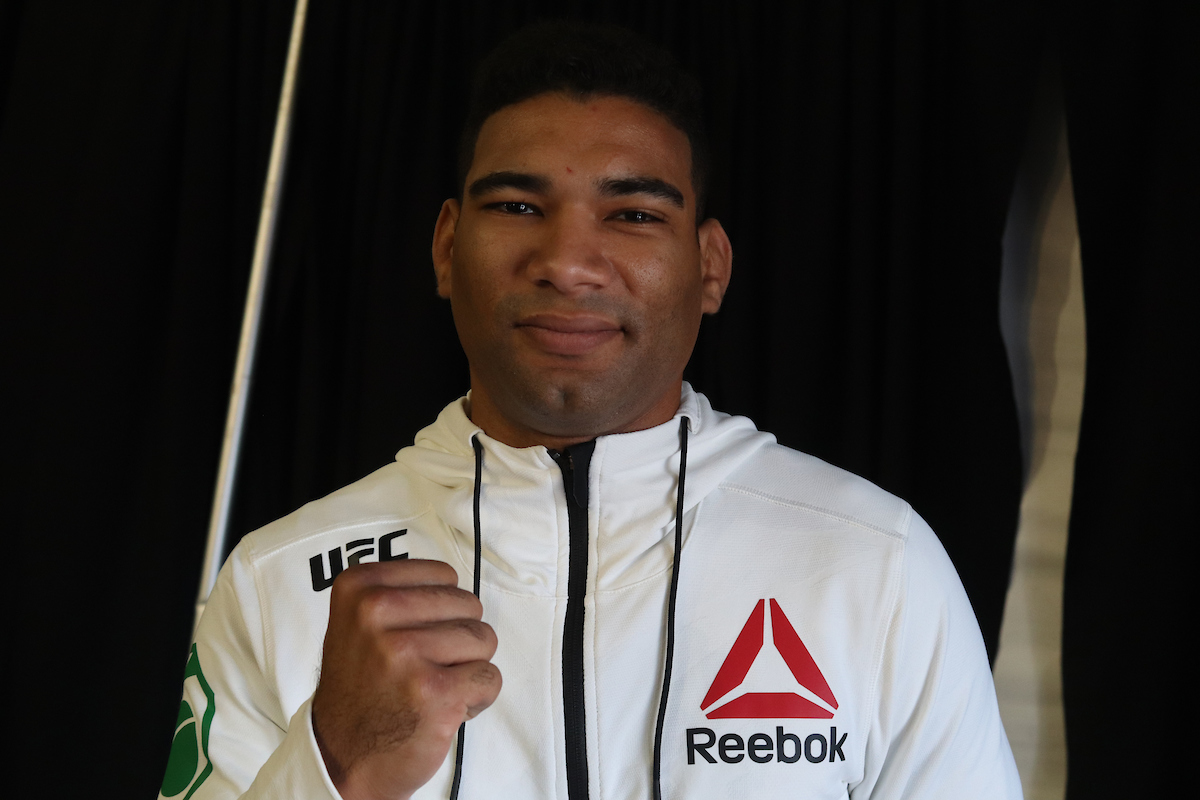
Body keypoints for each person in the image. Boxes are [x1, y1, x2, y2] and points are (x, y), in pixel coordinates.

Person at [159, 21, 1022, 800]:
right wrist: (334, 769)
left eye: (634, 214)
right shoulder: (278, 582)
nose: (569, 262)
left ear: (710, 266)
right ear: (447, 248)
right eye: (518, 206)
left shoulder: (873, 561)